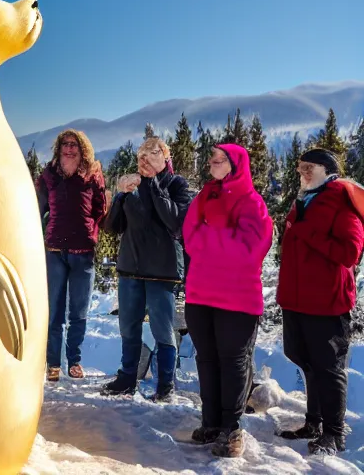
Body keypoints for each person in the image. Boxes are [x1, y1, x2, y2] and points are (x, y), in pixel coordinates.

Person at [182, 144, 273, 458]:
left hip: (237, 298)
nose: (211, 164)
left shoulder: (252, 203)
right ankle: (210, 423)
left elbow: (249, 249)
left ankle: (231, 429)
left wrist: (208, 235)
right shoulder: (206, 195)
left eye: (218, 159)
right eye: (211, 159)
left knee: (232, 361)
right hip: (200, 292)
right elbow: (189, 235)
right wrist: (216, 236)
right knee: (206, 358)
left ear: (236, 165)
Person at [276, 148, 364, 455]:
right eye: (300, 167)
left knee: (328, 367)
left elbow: (350, 253)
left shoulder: (342, 202)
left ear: (329, 169)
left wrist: (304, 231)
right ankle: (313, 423)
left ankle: (335, 434)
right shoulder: (304, 200)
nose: (302, 172)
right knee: (305, 360)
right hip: (296, 299)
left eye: (309, 167)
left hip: (327, 302)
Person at [101, 137, 192, 401]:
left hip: (161, 271)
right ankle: (127, 378)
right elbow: (112, 227)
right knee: (128, 327)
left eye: (153, 152)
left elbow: (174, 222)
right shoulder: (133, 186)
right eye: (141, 153)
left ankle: (165, 384)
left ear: (166, 156)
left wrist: (152, 182)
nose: (145, 158)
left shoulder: (176, 184)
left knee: (163, 329)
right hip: (130, 267)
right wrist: (120, 197)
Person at [37, 129, 107, 381]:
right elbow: (38, 208)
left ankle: (74, 361)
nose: (69, 148)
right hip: (54, 250)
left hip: (83, 252)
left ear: (83, 149)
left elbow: (100, 209)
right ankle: (52, 363)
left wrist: (88, 230)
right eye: (65, 144)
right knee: (54, 310)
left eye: (74, 145)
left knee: (78, 311)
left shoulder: (92, 175)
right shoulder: (49, 175)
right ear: (58, 148)